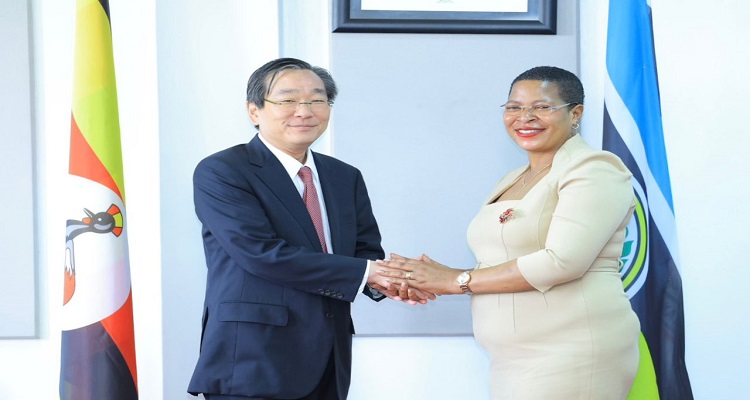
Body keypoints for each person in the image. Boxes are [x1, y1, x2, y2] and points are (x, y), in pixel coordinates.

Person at [379, 66, 641, 399]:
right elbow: (500, 260)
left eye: (542, 107)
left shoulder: (595, 168)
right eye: (514, 107)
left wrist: (454, 280)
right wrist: (423, 278)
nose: (525, 117)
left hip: (571, 351)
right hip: (512, 359)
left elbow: (562, 262)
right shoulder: (514, 178)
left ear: (575, 113)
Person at [187, 57, 432, 400]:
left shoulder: (344, 176)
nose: (304, 111)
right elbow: (261, 254)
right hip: (253, 361)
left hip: (329, 358)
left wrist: (389, 281)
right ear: (254, 111)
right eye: (287, 100)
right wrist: (370, 272)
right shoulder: (223, 171)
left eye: (317, 100)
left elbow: (364, 252)